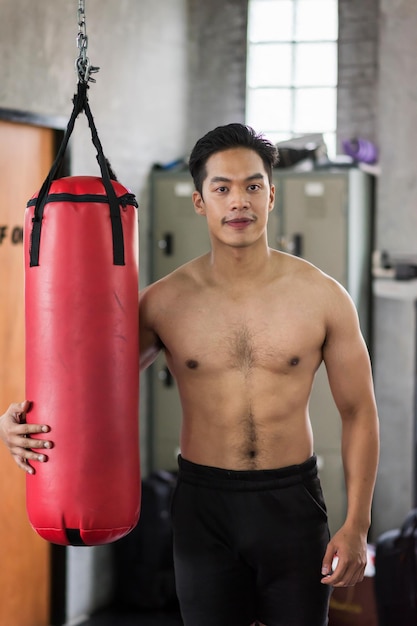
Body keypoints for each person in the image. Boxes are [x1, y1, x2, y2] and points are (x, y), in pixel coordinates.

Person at [0, 123, 379, 626]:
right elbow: (83, 385)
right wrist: (12, 419)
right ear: (200, 201)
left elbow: (358, 412)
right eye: (221, 188)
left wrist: (357, 524)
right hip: (205, 507)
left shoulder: (323, 297)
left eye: (252, 186)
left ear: (271, 193)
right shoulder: (164, 304)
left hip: (292, 504)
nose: (238, 201)